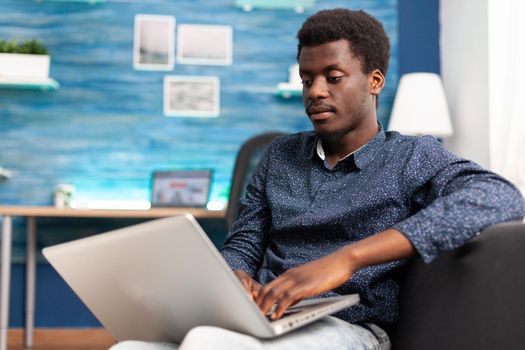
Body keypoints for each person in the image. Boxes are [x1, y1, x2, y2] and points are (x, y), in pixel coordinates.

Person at [111, 8, 525, 350]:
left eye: (333, 76)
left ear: (374, 81)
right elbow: (244, 241)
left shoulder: (411, 156)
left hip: (351, 329)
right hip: (266, 320)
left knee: (207, 343)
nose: (316, 91)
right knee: (127, 348)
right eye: (307, 79)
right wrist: (233, 275)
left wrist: (345, 260)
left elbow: (499, 196)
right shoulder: (279, 156)